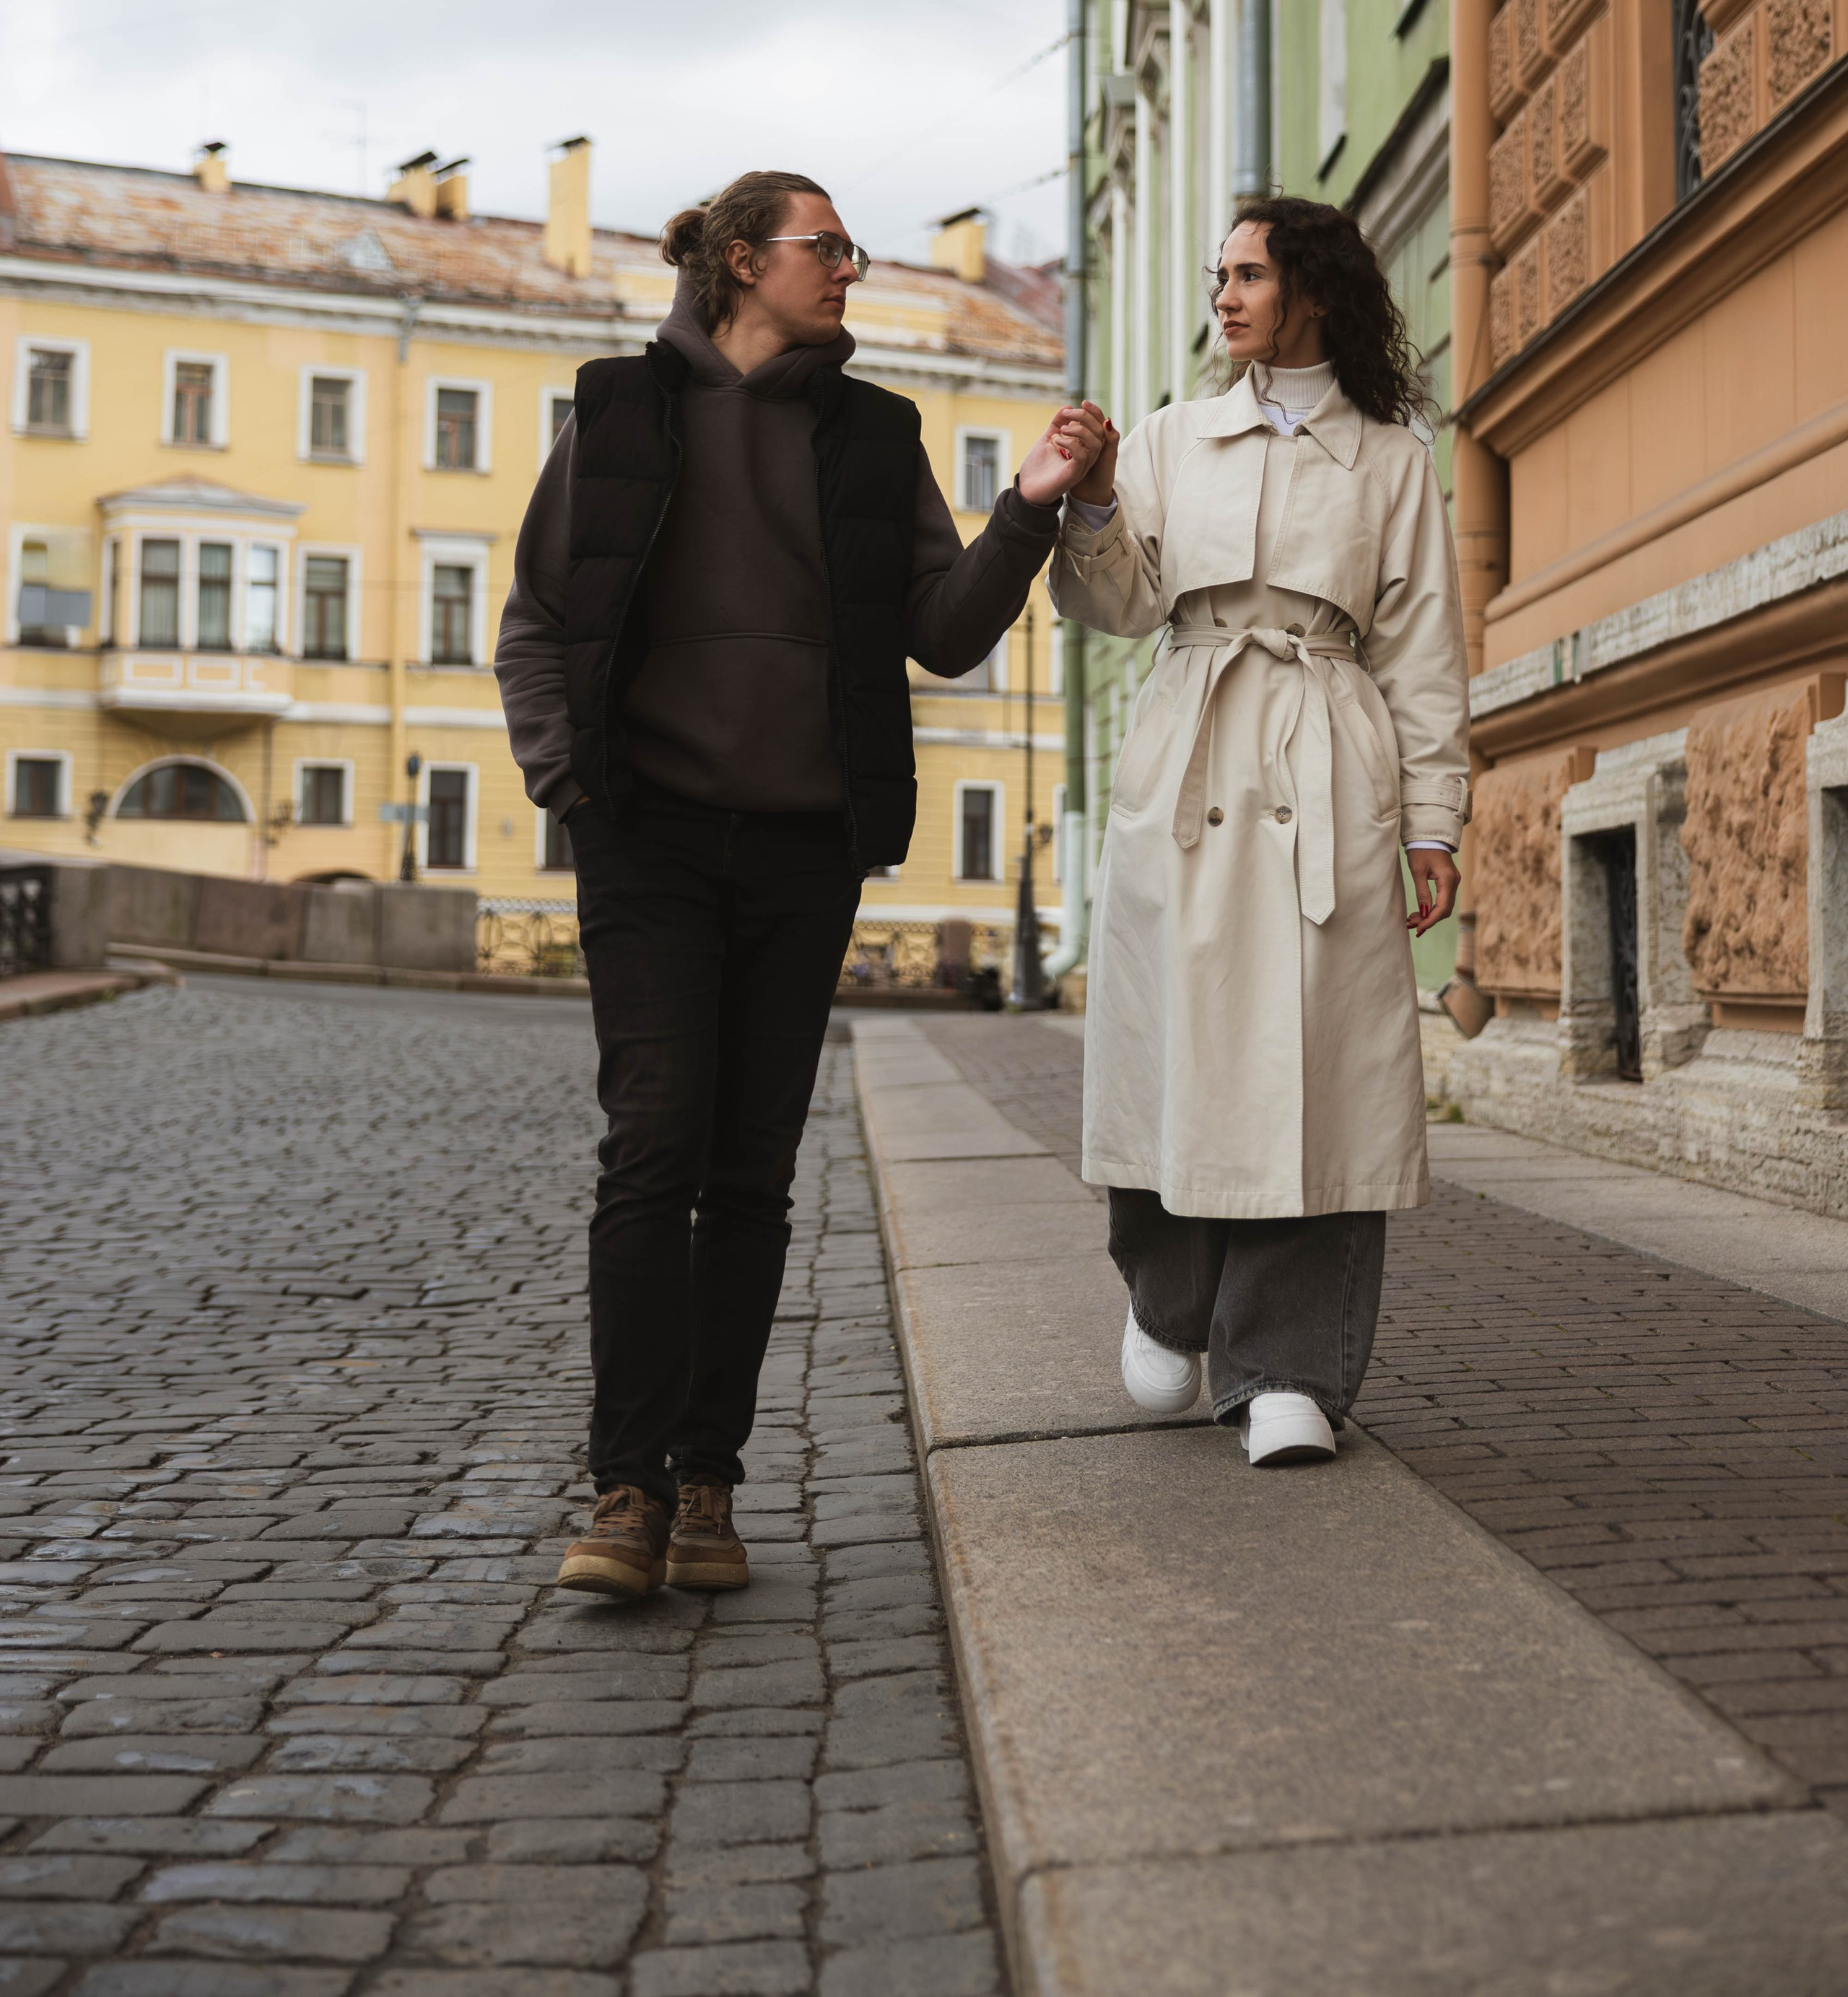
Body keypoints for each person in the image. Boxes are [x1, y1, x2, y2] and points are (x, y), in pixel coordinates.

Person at [496, 169, 1108, 1594]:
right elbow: (536, 616)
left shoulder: (872, 432)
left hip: (799, 845)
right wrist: (562, 783)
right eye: (822, 246)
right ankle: (626, 1491)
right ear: (734, 260)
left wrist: (1021, 509)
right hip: (642, 834)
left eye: (849, 247)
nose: (849, 267)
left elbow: (943, 636)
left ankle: (707, 1492)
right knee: (651, 1148)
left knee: (751, 1172)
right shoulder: (621, 407)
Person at [1050, 194, 1469, 1466]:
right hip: (1191, 750)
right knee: (1170, 1041)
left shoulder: (1393, 459)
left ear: (1317, 292)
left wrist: (1434, 822)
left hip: (1329, 761)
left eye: (1247, 275)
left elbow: (1424, 654)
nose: (1223, 296)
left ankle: (1288, 1364)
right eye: (1216, 274)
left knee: (1320, 1069)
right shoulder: (1177, 436)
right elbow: (1113, 604)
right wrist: (1100, 497)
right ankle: (1168, 1302)